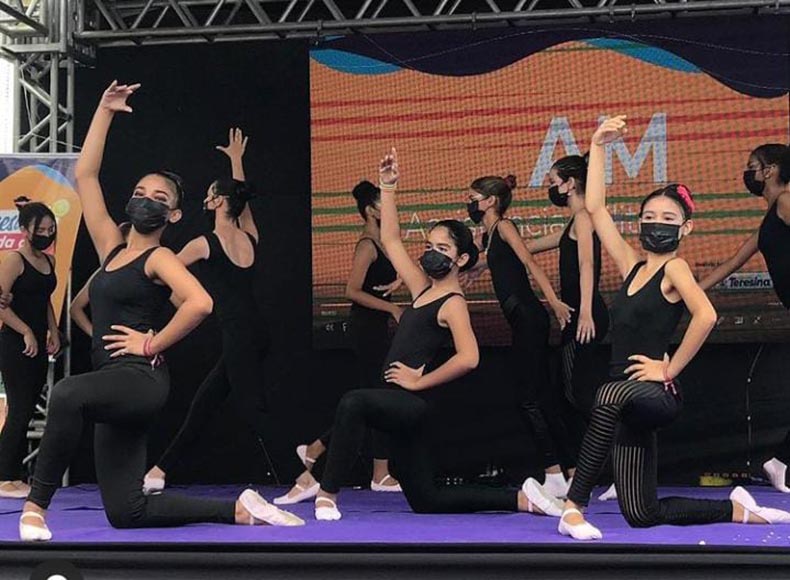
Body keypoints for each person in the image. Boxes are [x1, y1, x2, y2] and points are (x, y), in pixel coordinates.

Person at [18, 81, 302, 542]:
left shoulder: (160, 257)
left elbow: (200, 303)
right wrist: (104, 111)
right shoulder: (111, 248)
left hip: (139, 380)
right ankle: (239, 510)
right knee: (127, 510)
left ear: (173, 216)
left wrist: (151, 343)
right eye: (140, 192)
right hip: (112, 381)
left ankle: (34, 508)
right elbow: (86, 175)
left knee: (67, 393)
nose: (146, 200)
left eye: (160, 198)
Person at [551, 116, 790, 541]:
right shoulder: (631, 265)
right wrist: (598, 146)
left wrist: (669, 369)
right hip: (624, 398)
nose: (656, 222)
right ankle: (738, 509)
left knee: (607, 394)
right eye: (649, 215)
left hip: (656, 394)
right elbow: (596, 209)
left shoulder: (675, 269)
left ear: (685, 227)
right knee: (643, 513)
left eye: (667, 217)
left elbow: (706, 315)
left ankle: (572, 507)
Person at [313, 148, 563, 521]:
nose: (432, 253)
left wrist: (419, 381)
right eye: (429, 246)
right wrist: (388, 187)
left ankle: (326, 495)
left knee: (353, 403)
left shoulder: (453, 303)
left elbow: (469, 357)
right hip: (396, 401)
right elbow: (392, 240)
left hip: (414, 403)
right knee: (427, 499)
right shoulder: (421, 288)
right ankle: (520, 500)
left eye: (442, 248)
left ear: (461, 259)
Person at [143, 128, 274, 493]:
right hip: (256, 332)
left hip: (239, 335)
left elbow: (162, 274)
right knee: (205, 403)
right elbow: (242, 201)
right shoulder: (250, 236)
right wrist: (236, 161)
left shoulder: (203, 243)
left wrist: (177, 304)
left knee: (253, 409)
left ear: (217, 201)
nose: (205, 197)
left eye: (210, 193)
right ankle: (160, 470)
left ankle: (305, 474)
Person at [275, 180, 402, 505]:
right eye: (383, 204)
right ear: (371, 210)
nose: (390, 209)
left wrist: (398, 280)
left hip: (378, 328)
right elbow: (352, 290)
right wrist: (390, 308)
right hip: (365, 328)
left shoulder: (384, 241)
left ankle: (316, 449)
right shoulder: (367, 245)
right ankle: (379, 473)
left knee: (373, 398)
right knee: (377, 397)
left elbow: (389, 272)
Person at [462, 174, 575, 498]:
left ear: (490, 201)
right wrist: (476, 269)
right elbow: (488, 262)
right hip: (521, 319)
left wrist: (553, 301)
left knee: (527, 398)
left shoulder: (505, 227)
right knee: (542, 396)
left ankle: (553, 472)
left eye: (473, 198)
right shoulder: (488, 236)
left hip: (529, 316)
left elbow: (528, 262)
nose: (469, 204)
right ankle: (571, 471)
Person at [698, 144, 790, 493]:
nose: (748, 172)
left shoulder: (786, 201)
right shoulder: (769, 220)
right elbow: (731, 263)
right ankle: (780, 461)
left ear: (771, 170)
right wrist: (691, 290)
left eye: (753, 166)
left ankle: (780, 461)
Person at [0, 198, 59, 499]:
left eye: (50, 229)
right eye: (41, 229)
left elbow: (45, 299)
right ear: (25, 229)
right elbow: (1, 304)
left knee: (28, 410)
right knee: (19, 409)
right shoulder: (13, 260)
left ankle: (16, 474)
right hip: (15, 343)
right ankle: (4, 476)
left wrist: (53, 330)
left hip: (38, 343)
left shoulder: (49, 261)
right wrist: (25, 331)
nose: (46, 234)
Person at [70, 222, 132, 337]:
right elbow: (75, 309)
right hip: (111, 340)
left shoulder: (147, 269)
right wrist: (96, 335)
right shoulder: (104, 271)